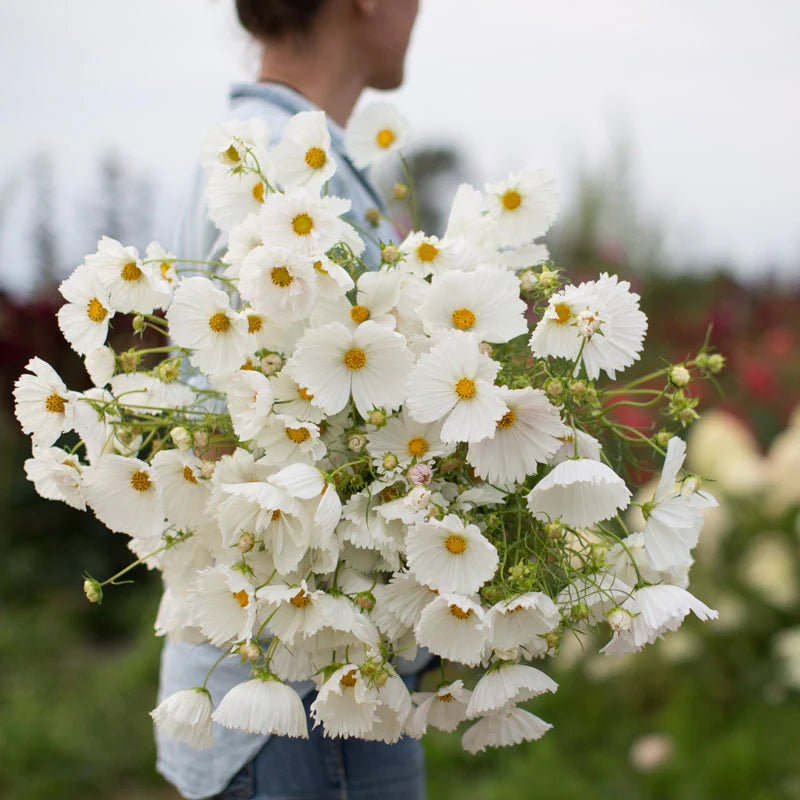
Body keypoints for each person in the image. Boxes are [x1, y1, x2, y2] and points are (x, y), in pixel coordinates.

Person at [156, 2, 424, 798]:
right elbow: (224, 439)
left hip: (304, 683)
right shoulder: (279, 162)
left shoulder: (284, 153)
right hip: (296, 694)